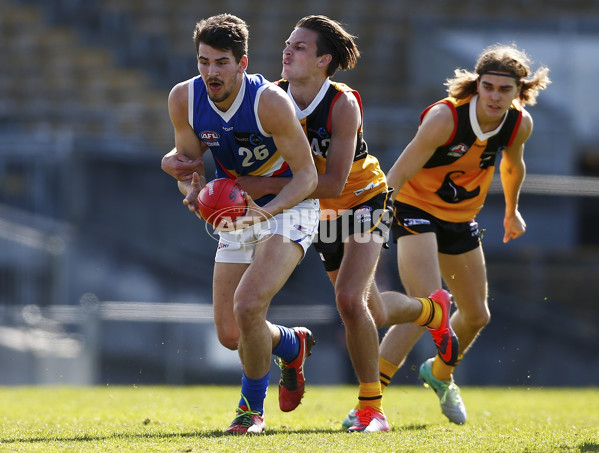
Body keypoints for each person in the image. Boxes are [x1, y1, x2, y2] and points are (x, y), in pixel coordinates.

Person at [225, 15, 459, 433]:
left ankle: (371, 409)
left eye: (299, 47)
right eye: (287, 43)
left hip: (363, 199)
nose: (286, 51)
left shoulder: (341, 103)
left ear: (323, 60)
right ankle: (432, 311)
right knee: (373, 310)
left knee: (349, 301)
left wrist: (258, 184)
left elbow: (331, 180)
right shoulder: (273, 97)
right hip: (319, 210)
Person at [352, 43, 550, 426]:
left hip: (460, 219)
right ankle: (367, 405)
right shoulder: (445, 118)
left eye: (504, 90)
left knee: (476, 315)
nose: (494, 96)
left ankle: (439, 374)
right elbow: (401, 169)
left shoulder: (518, 123)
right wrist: (376, 214)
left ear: (519, 92)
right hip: (414, 208)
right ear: (477, 85)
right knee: (427, 306)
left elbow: (513, 167)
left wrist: (512, 211)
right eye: (487, 86)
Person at [161, 13, 320, 435]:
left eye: (221, 63)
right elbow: (193, 176)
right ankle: (291, 343)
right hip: (238, 211)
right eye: (203, 61)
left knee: (248, 306)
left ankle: (251, 412)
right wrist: (192, 193)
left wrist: (266, 212)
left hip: (289, 206)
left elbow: (307, 176)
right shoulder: (184, 99)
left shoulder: (269, 101)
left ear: (242, 63)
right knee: (232, 334)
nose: (210, 72)